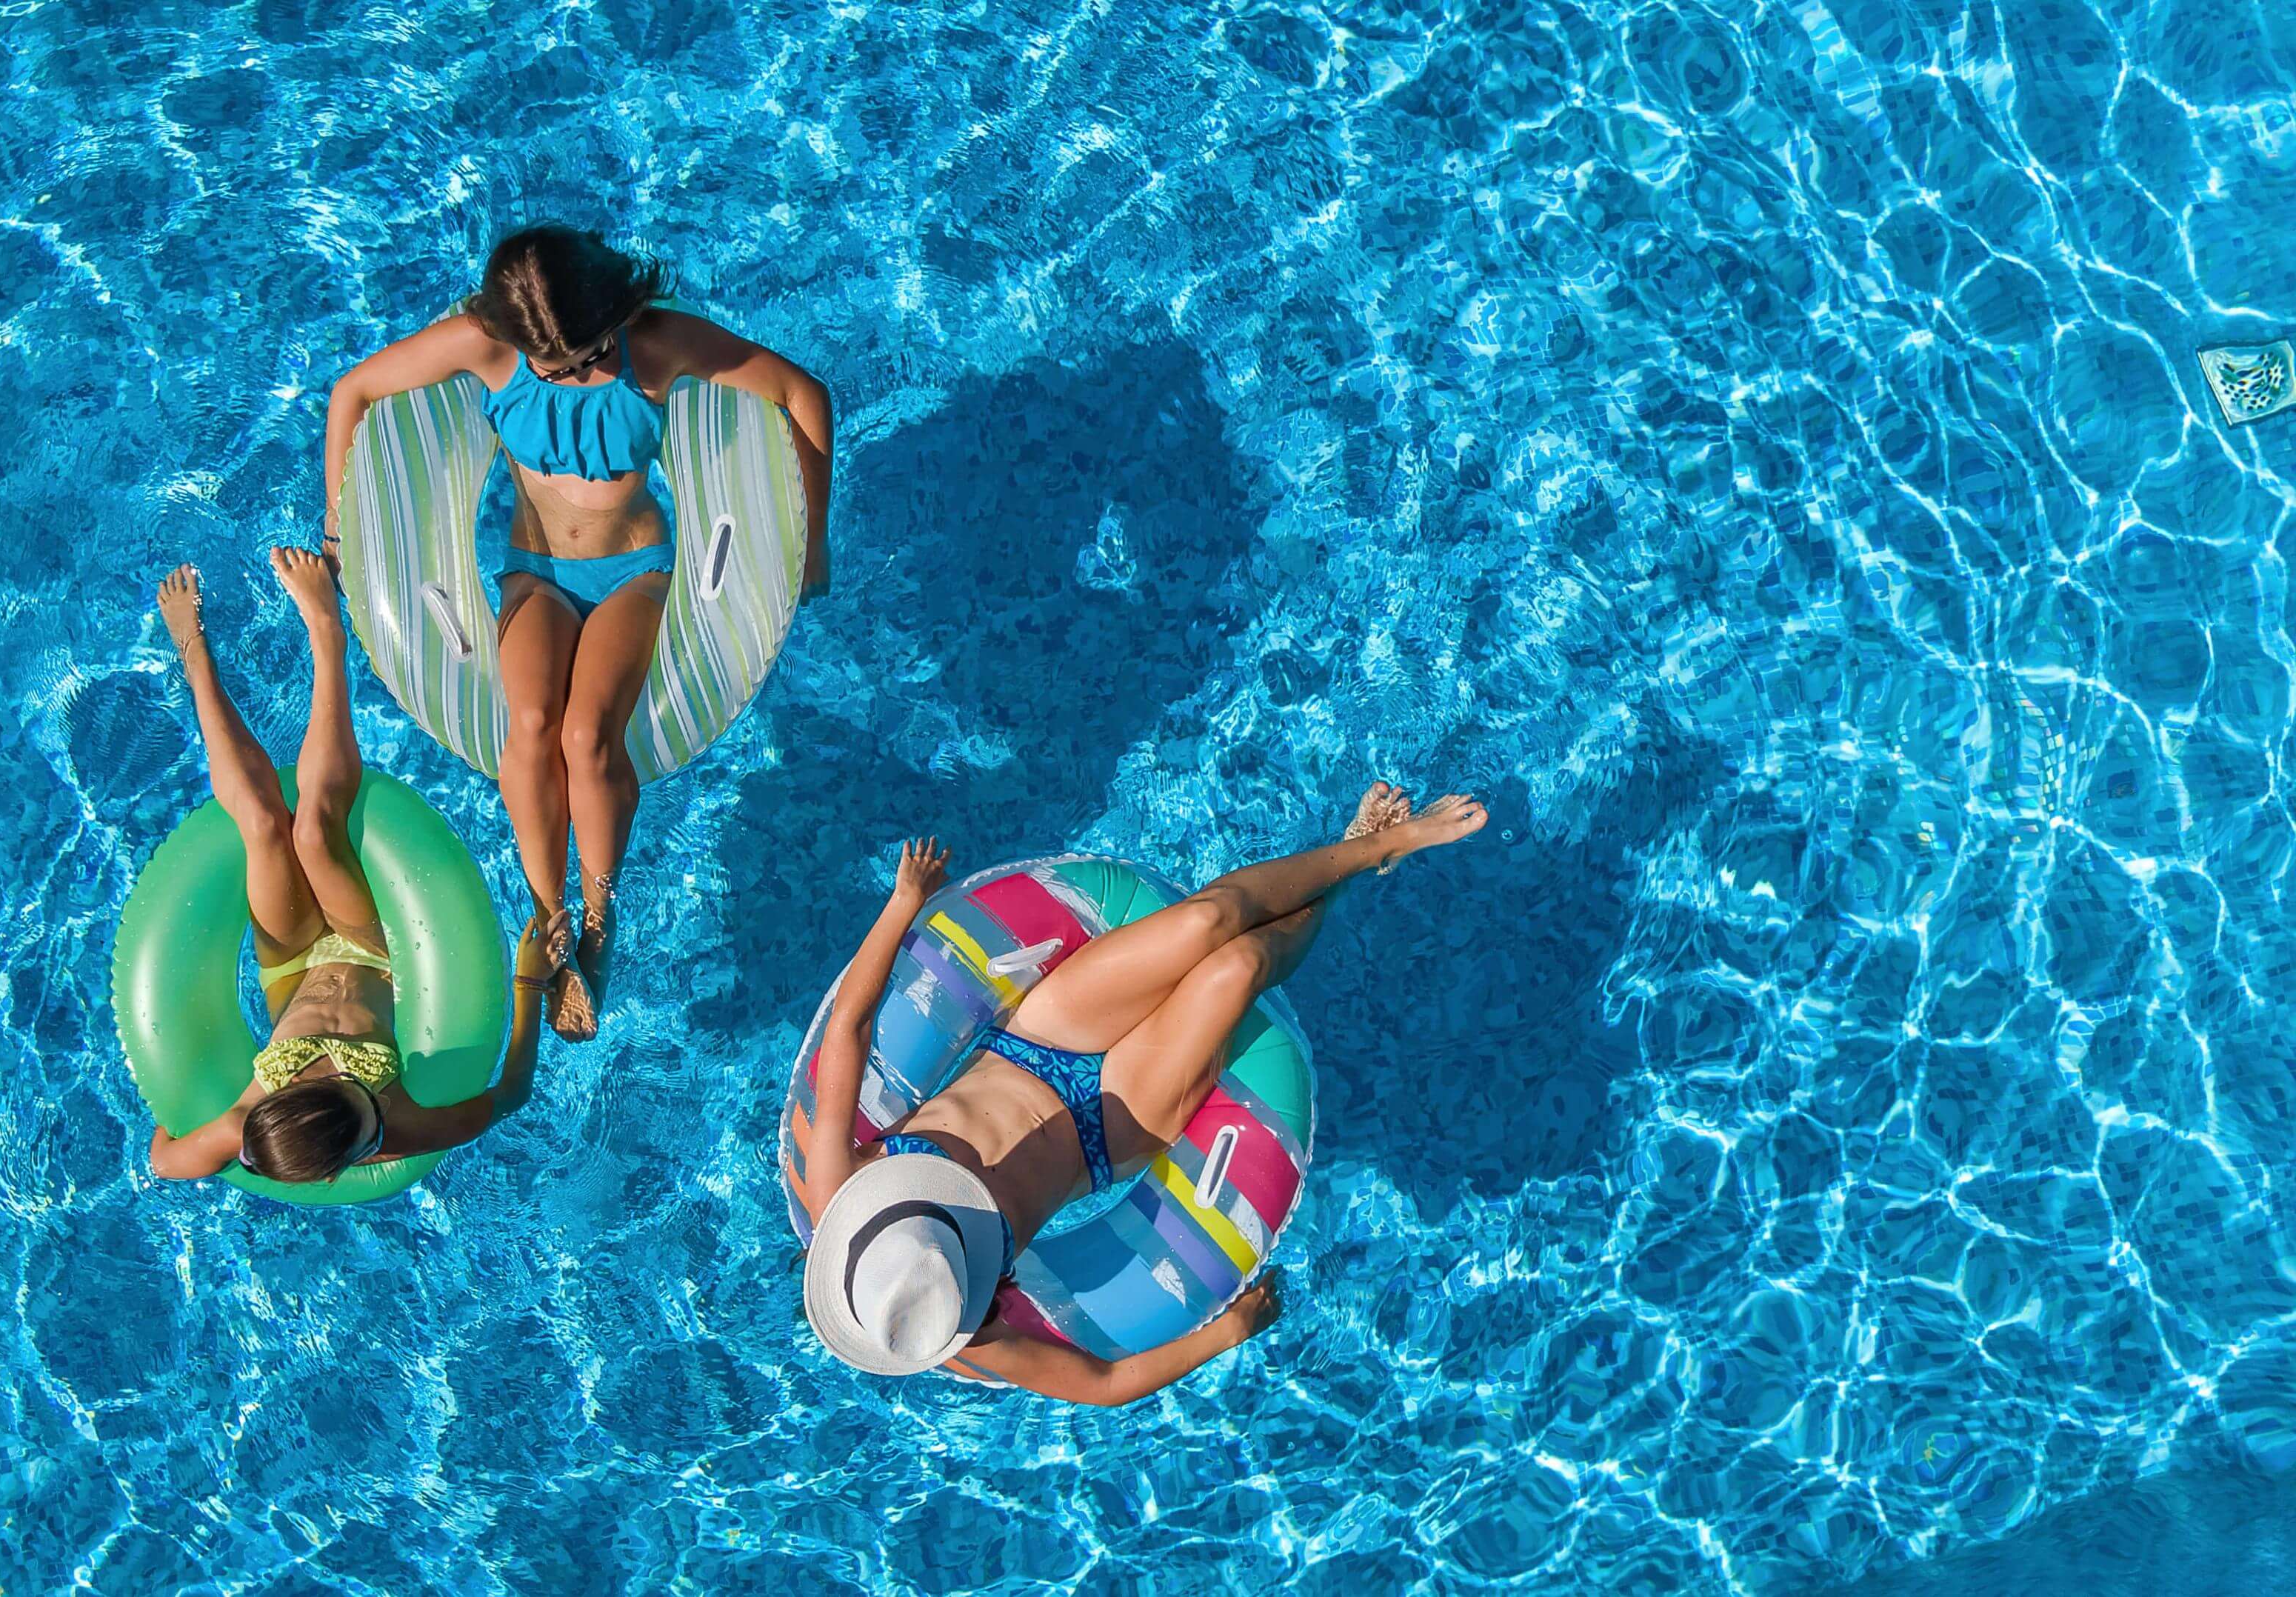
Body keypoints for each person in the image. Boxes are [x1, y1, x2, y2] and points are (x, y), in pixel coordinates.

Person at [793, 784, 1489, 1403]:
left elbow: (850, 1028)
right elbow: (1103, 1385)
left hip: (1037, 1040)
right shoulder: (961, 1320)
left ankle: (1381, 845)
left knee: (1207, 922)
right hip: (1109, 1128)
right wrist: (1227, 1334)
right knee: (1240, 965)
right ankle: (1351, 870)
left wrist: (903, 902)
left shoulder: (838, 1183)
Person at [318, 225, 836, 1043]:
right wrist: (337, 528)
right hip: (536, 573)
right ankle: (547, 915)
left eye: (592, 357)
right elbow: (352, 392)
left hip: (635, 573)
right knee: (529, 723)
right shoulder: (488, 347)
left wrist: (814, 538)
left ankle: (599, 919)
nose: (578, 374)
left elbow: (802, 394)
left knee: (588, 734)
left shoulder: (654, 345)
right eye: (556, 369)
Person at [145, 549, 553, 1184]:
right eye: (362, 1101)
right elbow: (511, 1095)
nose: (343, 1081)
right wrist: (529, 982)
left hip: (291, 962)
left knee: (265, 826)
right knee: (313, 830)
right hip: (372, 952)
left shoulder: (243, 1124)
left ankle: (195, 657)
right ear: (357, 1154)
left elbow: (165, 1162)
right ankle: (326, 633)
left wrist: (175, 1092)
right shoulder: (404, 1128)